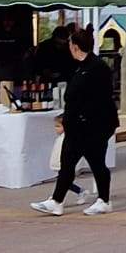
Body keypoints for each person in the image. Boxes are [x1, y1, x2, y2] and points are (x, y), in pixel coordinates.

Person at [32, 28, 119, 216]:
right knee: (68, 163)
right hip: (77, 126)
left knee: (96, 163)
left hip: (93, 126)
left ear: (75, 46)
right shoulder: (80, 67)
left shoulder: (97, 67)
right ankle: (57, 201)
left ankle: (103, 200)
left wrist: (81, 118)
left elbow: (99, 99)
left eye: (70, 44)